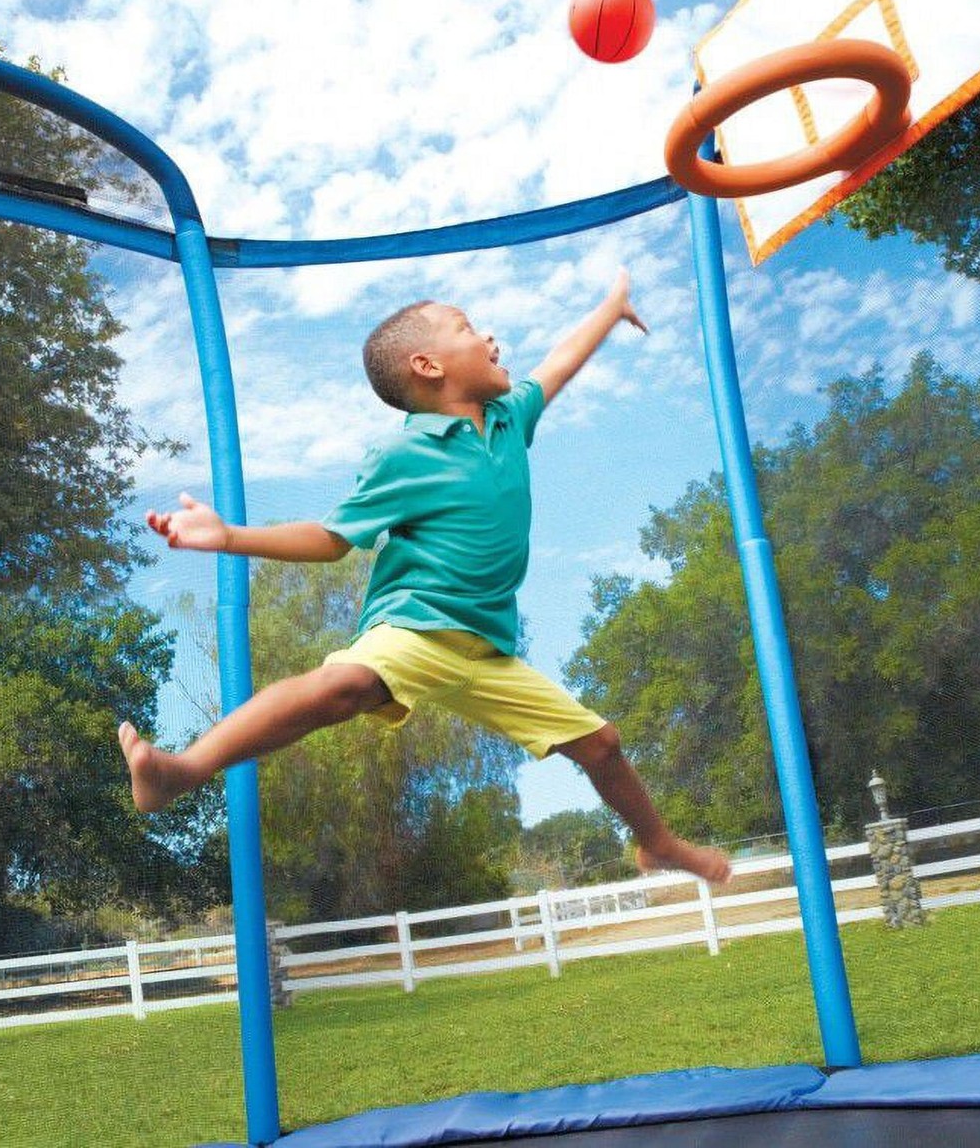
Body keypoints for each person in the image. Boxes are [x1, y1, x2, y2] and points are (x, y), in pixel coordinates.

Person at [118, 268, 731, 884]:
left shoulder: (509, 419)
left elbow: (559, 363)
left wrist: (611, 306)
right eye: (466, 327)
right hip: (413, 626)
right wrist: (229, 538)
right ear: (428, 365)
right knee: (344, 685)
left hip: (487, 650)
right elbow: (332, 540)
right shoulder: (403, 455)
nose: (490, 336)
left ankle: (657, 842)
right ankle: (181, 772)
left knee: (602, 744)